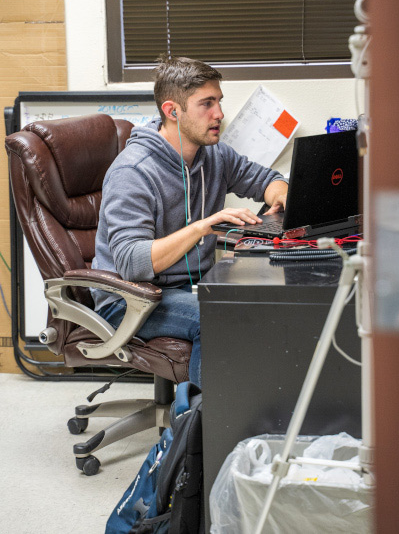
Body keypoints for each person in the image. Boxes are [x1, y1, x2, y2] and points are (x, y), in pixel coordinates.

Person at [91, 56, 288, 387]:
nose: (219, 114)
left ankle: (253, 417)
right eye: (206, 104)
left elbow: (268, 180)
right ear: (172, 111)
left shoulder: (214, 155)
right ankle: (195, 430)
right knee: (217, 316)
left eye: (219, 102)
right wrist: (203, 226)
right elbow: (131, 263)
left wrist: (279, 195)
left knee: (268, 303)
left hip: (188, 287)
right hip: (132, 298)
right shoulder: (133, 172)